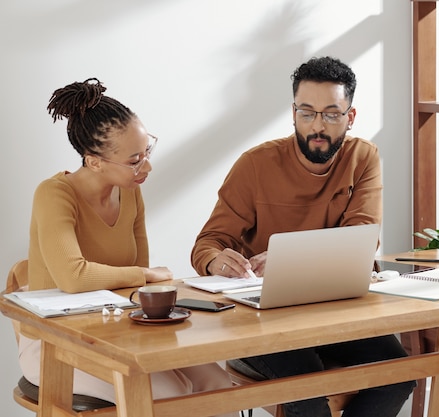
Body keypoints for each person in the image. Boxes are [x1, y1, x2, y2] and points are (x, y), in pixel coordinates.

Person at [191, 57, 415, 417]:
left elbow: (361, 236)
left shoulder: (363, 157)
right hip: (264, 321)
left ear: (350, 117)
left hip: (336, 313)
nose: (317, 126)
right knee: (308, 387)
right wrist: (216, 259)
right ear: (293, 113)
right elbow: (208, 243)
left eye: (330, 114)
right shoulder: (255, 164)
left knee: (399, 374)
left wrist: (287, 257)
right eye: (307, 113)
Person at [20, 78, 236, 415]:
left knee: (218, 384)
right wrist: (144, 273)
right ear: (94, 161)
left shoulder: (131, 191)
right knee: (170, 392)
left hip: (121, 333)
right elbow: (72, 277)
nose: (146, 166)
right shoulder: (54, 194)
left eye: (147, 151)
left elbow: (139, 287)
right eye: (134, 160)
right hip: (56, 342)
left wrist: (148, 282)